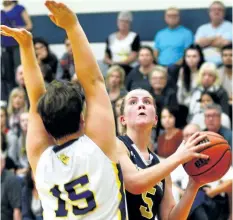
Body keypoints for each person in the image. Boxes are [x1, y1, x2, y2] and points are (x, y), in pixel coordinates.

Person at [0, 1, 126, 219]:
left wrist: (26, 47)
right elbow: (94, 81)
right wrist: (72, 26)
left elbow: (35, 101)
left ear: (45, 126)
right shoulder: (99, 145)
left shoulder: (40, 160)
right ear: (82, 118)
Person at [116, 88, 211, 219]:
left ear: (155, 120)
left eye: (147, 101)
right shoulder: (117, 145)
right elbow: (135, 183)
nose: (141, 104)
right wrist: (178, 157)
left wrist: (193, 185)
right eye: (133, 102)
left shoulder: (160, 166)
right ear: (123, 120)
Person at [195, 1, 232, 65]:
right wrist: (215, 38)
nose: (216, 12)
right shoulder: (202, 28)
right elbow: (198, 43)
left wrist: (207, 41)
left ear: (224, 13)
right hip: (204, 64)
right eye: (213, 10)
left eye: (219, 10)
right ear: (209, 13)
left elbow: (226, 44)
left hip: (224, 64)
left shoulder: (230, 27)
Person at [104, 10, 140, 75]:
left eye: (126, 22)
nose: (123, 23)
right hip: (113, 69)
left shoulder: (134, 37)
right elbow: (106, 57)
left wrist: (118, 64)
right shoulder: (110, 37)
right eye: (121, 21)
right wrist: (112, 63)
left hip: (129, 69)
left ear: (130, 24)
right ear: (117, 22)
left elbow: (133, 56)